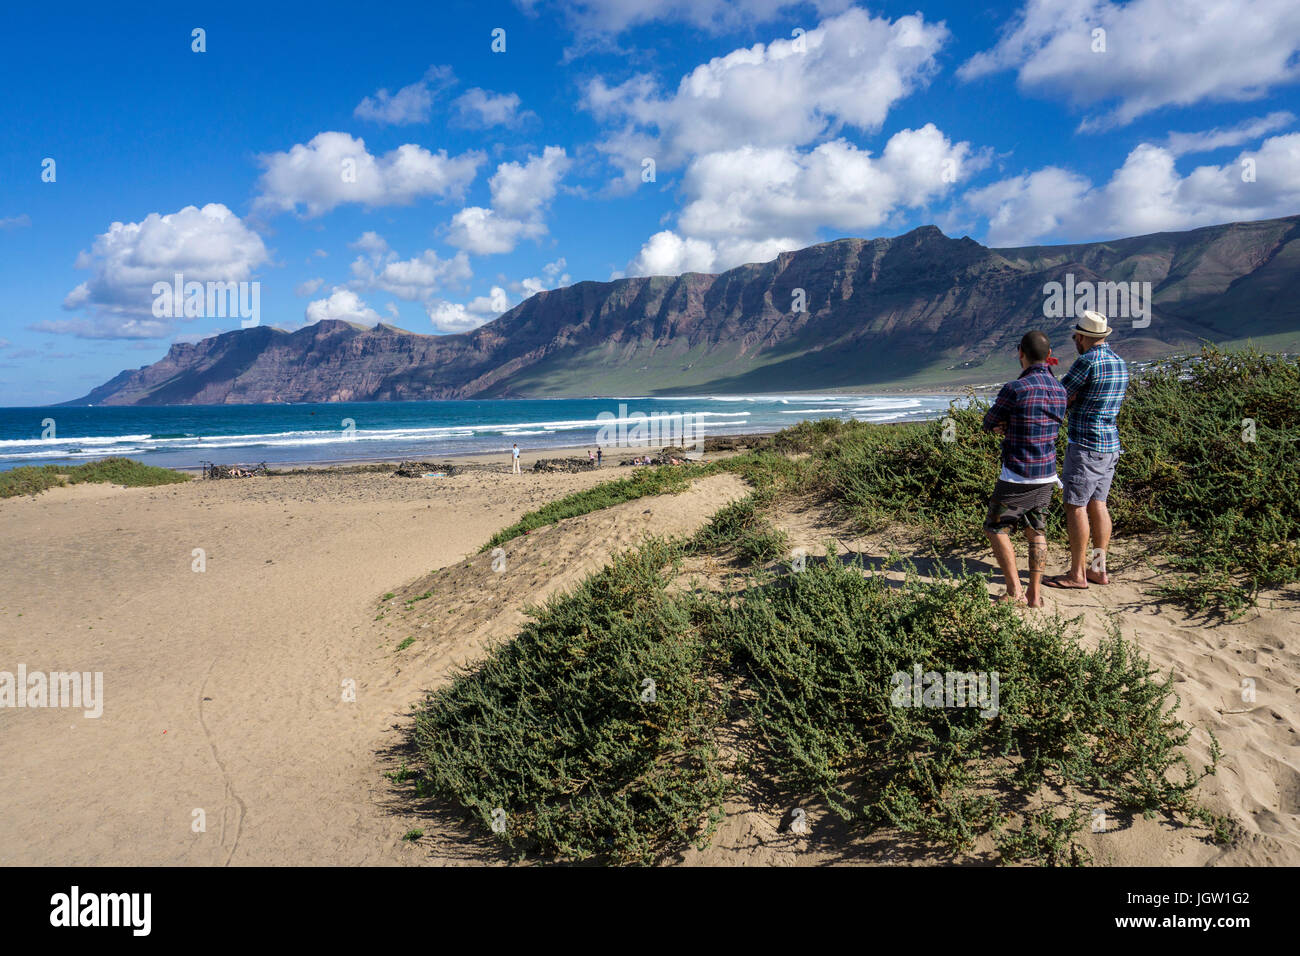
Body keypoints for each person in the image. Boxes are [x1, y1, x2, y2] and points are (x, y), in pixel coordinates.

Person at [980, 330, 1067, 607]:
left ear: (1021, 353)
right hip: (1047, 472)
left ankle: (1015, 590)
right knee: (1036, 531)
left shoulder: (1015, 388)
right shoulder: (1060, 390)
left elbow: (989, 421)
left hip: (1018, 473)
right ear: (1049, 356)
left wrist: (1004, 425)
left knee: (995, 527)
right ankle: (1035, 595)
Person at [1046, 310, 1129, 590]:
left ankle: (1076, 574)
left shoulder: (1087, 362)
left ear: (1082, 337)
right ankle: (1097, 569)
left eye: (1075, 337)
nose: (1075, 341)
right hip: (1110, 444)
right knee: (1099, 505)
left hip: (1085, 444)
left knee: (1075, 506)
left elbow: (1059, 396)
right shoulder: (1119, 363)